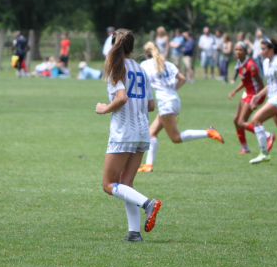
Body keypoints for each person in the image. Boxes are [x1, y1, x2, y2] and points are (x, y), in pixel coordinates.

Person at [95, 29, 161, 243]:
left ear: (114, 46)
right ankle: (134, 233)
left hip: (124, 131)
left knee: (108, 184)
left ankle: (148, 203)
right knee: (126, 184)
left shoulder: (117, 67)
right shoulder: (141, 69)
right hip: (142, 130)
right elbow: (151, 105)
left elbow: (121, 97)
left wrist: (105, 108)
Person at [137, 42, 224, 173]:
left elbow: (140, 82)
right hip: (175, 100)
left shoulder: (145, 65)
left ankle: (208, 132)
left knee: (176, 138)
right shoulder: (167, 63)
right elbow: (182, 79)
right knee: (152, 133)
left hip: (166, 104)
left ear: (145, 54)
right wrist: (172, 91)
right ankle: (148, 165)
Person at [229, 42, 275, 154]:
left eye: (240, 50)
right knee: (236, 120)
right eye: (236, 49)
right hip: (247, 92)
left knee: (241, 122)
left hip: (254, 94)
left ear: (245, 51)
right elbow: (244, 81)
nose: (238, 52)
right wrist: (235, 91)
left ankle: (268, 135)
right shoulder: (240, 63)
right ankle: (245, 148)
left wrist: (256, 99)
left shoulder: (251, 65)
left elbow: (260, 83)